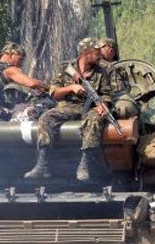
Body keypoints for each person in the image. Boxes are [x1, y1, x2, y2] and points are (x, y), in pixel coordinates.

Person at [24, 38, 113, 182]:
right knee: (47, 117)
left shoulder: (102, 72)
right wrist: (71, 88)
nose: (100, 55)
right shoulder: (65, 68)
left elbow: (107, 95)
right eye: (97, 52)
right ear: (86, 53)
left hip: (90, 108)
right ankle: (42, 165)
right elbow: (54, 92)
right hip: (69, 107)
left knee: (95, 118)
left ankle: (85, 165)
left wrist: (104, 105)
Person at [0, 42, 49, 107]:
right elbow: (32, 84)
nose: (21, 64)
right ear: (11, 54)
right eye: (20, 59)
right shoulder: (9, 70)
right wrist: (50, 88)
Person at [97, 37, 139, 119]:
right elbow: (120, 91)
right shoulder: (110, 67)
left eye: (101, 47)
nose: (98, 50)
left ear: (111, 50)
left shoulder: (112, 68)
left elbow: (119, 91)